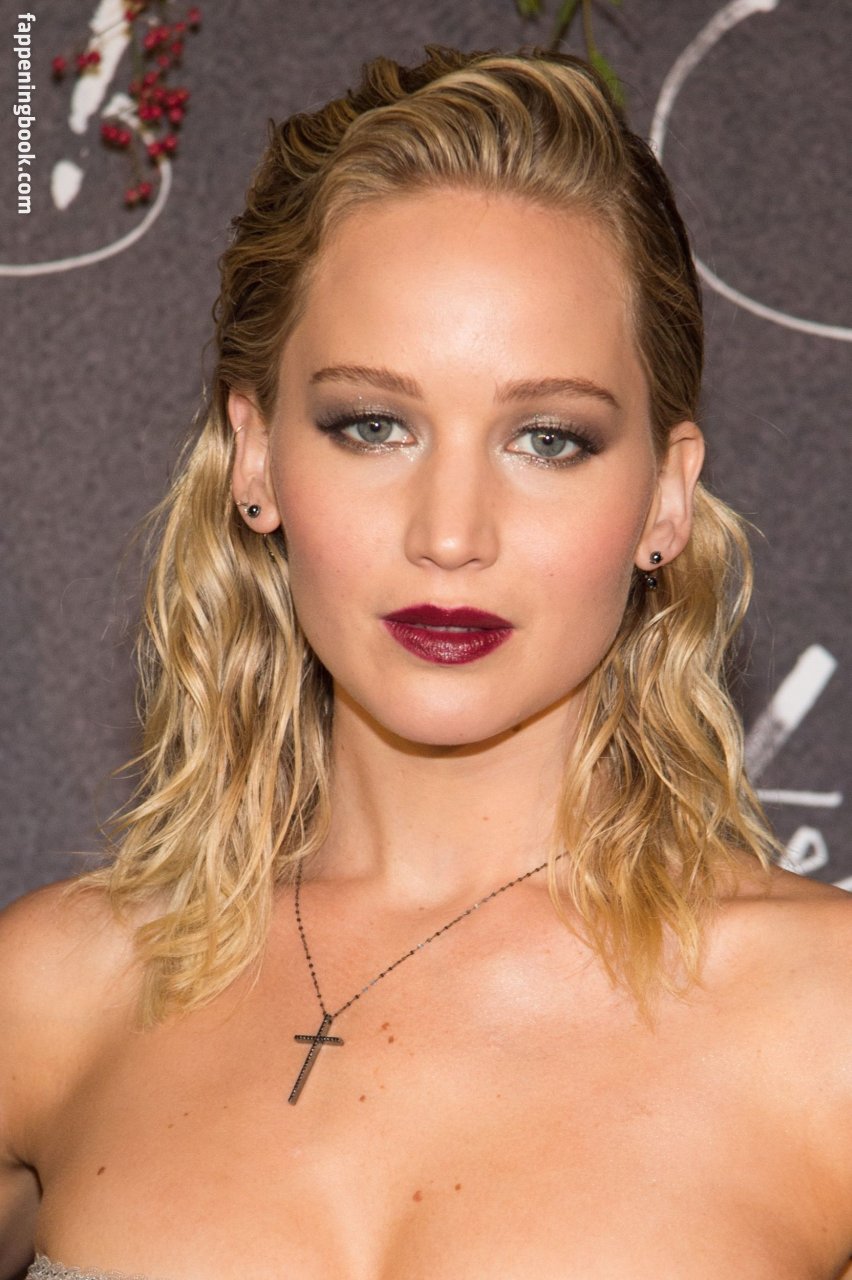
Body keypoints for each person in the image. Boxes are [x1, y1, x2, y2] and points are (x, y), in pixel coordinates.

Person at [1, 44, 850, 1280]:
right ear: (255, 456)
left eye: (547, 438)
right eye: (373, 424)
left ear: (665, 498)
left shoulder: (827, 1023)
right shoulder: (52, 995)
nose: (451, 534)